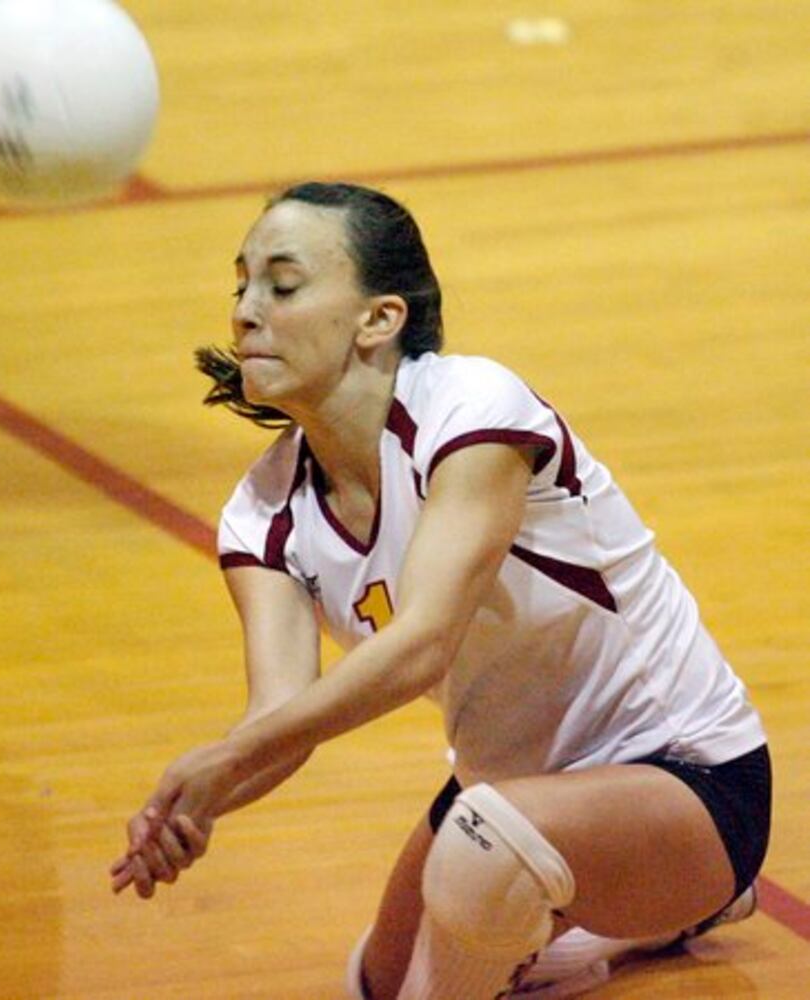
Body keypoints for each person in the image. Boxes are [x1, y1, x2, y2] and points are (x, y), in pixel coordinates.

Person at [109, 182, 771, 999]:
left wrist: (226, 761)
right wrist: (194, 805)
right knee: (375, 985)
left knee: (480, 850)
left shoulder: (471, 411)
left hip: (687, 777)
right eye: (240, 284)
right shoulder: (263, 512)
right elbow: (277, 721)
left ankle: (662, 904)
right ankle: (611, 927)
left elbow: (422, 644)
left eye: (282, 286)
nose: (246, 310)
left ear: (378, 319)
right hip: (507, 793)